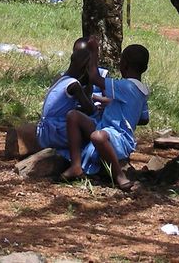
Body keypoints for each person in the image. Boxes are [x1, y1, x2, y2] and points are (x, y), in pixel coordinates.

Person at [61, 42, 150, 191]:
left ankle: (119, 175)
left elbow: (95, 77)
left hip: (119, 139)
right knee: (73, 116)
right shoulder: (142, 92)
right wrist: (115, 109)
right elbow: (143, 119)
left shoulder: (125, 86)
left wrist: (95, 51)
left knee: (97, 137)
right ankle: (76, 166)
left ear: (124, 64)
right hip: (106, 130)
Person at [36, 48, 95, 151]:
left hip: (43, 131)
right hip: (56, 132)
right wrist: (90, 83)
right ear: (86, 67)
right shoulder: (74, 85)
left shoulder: (60, 79)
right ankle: (78, 160)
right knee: (92, 129)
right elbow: (90, 109)